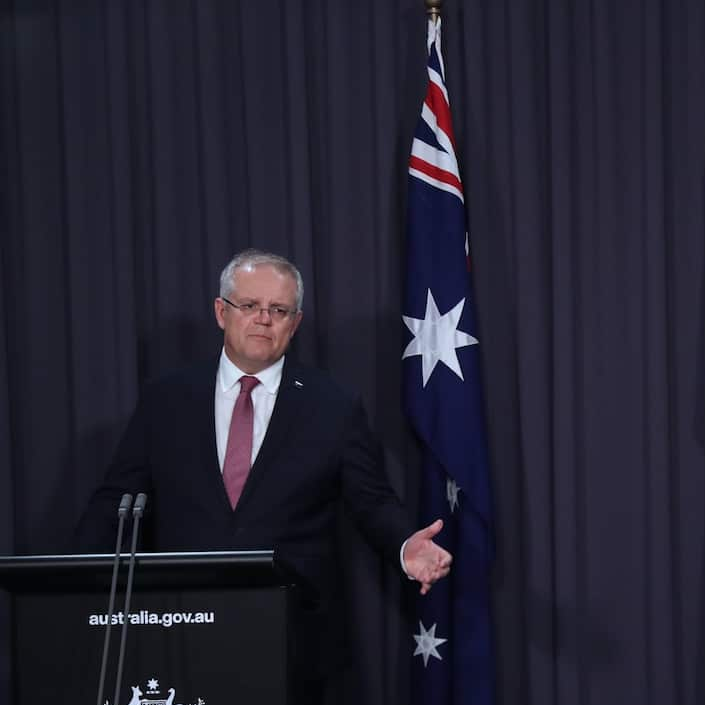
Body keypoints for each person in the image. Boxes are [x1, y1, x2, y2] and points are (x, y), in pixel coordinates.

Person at [75, 248, 451, 663]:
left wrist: (403, 545)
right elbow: (116, 502)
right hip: (177, 628)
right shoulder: (167, 399)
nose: (264, 319)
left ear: (296, 322)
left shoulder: (333, 405)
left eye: (279, 309)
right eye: (249, 305)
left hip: (291, 635)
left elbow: (372, 499)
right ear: (222, 312)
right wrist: (70, 587)